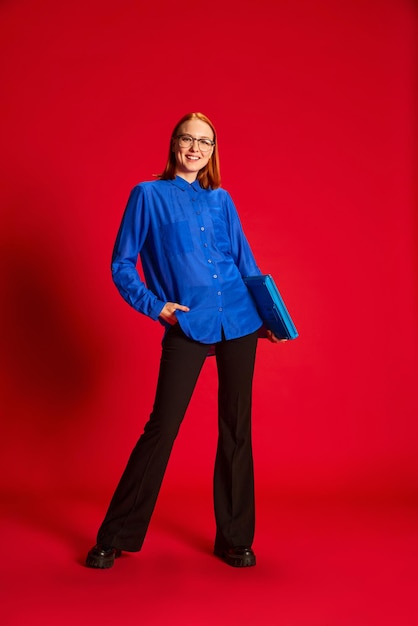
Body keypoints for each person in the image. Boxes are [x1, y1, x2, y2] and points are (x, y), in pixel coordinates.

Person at [86, 112, 280, 570]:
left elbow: (246, 264)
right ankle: (115, 534)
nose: (196, 148)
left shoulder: (222, 200)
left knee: (237, 427)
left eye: (206, 142)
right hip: (187, 323)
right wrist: (158, 307)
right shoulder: (147, 196)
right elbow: (121, 264)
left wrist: (270, 315)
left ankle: (235, 538)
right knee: (163, 426)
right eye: (188, 139)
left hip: (240, 318)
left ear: (214, 151)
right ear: (174, 143)